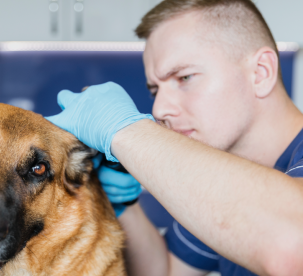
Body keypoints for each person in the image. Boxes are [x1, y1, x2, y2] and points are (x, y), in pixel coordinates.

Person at [46, 0, 303, 275]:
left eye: (184, 77)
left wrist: (123, 130)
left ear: (261, 72)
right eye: (155, 90)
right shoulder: (220, 180)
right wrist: (124, 206)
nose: (159, 109)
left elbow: (293, 245)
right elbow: (166, 271)